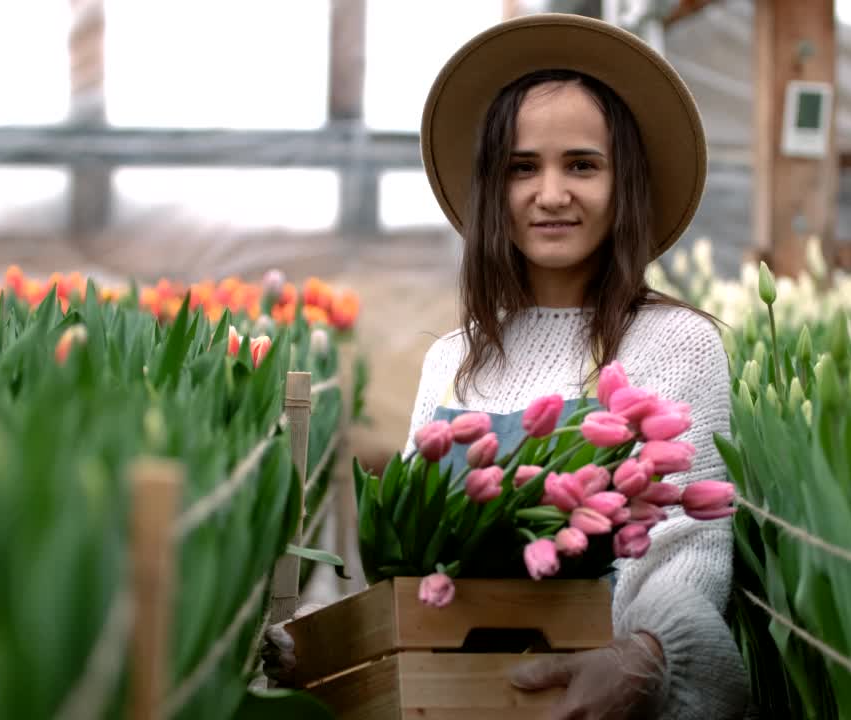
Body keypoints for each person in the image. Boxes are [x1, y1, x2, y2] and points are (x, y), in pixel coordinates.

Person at [264, 13, 750, 719]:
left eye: (581, 164)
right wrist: (319, 641)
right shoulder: (452, 359)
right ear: (495, 186)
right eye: (523, 167)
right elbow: (408, 569)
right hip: (451, 699)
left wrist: (645, 655)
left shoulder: (675, 343)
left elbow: (689, 547)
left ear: (625, 183)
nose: (551, 194)